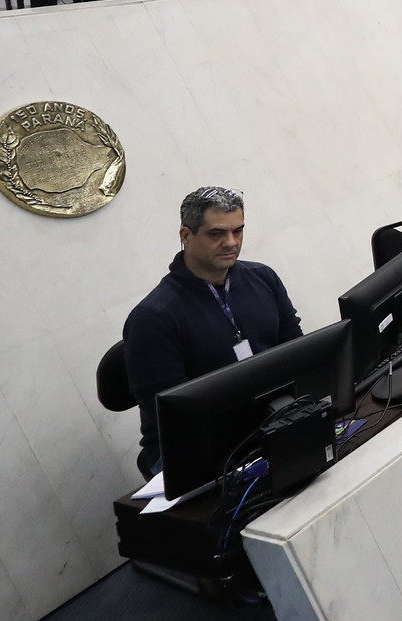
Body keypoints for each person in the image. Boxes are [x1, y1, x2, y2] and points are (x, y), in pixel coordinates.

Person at [122, 188, 303, 476]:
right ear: (186, 236)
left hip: (270, 422)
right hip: (197, 451)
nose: (231, 243)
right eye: (216, 234)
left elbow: (299, 353)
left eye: (238, 231)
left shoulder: (263, 278)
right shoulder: (153, 317)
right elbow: (173, 419)